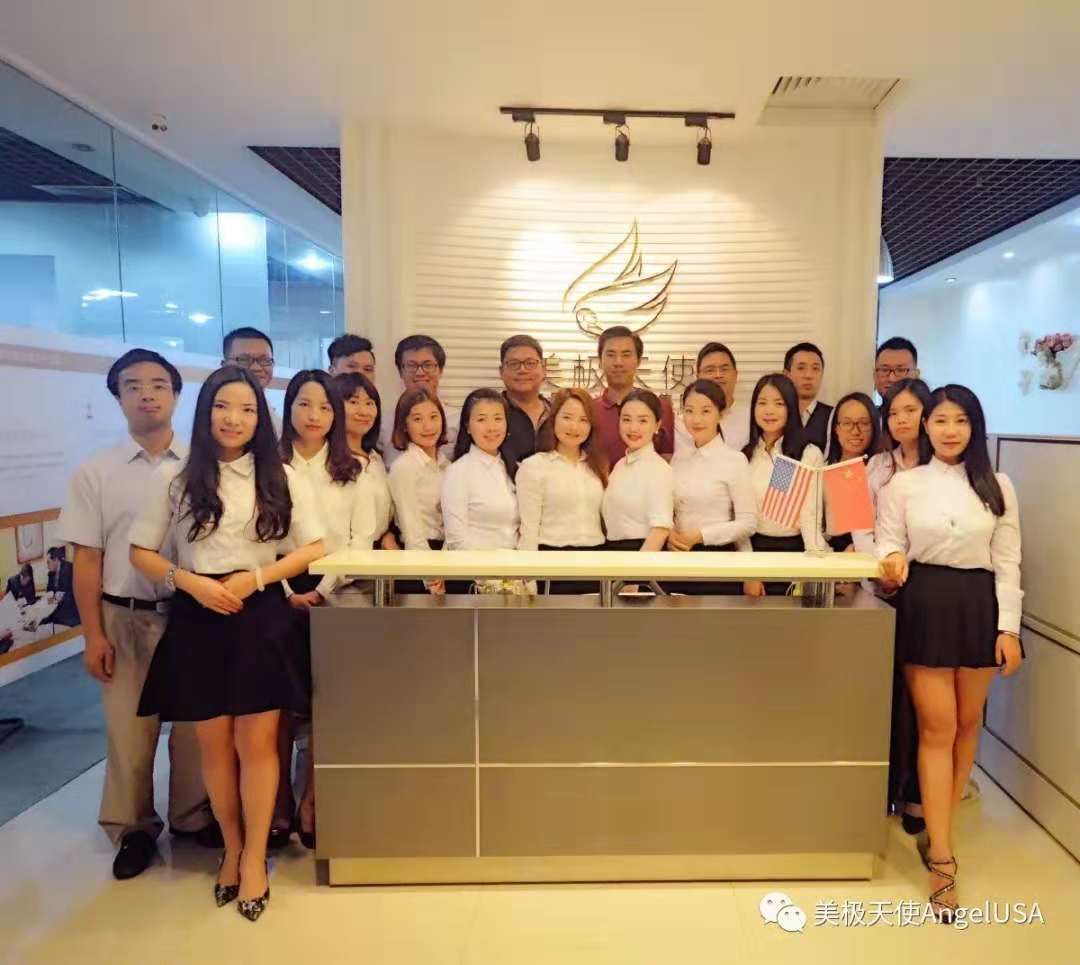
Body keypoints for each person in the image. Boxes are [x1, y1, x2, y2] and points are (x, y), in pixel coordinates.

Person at [130, 366, 326, 922]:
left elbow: (315, 546)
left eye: (246, 409)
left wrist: (257, 578)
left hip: (258, 614)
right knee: (214, 747)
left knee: (258, 745)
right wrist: (189, 582)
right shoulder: (175, 478)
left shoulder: (280, 475)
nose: (233, 419)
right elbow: (141, 551)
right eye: (222, 407)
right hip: (198, 616)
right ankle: (233, 849)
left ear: (260, 418)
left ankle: (257, 857)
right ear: (205, 412)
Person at [57, 348, 216, 881]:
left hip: (190, 614)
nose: (146, 394)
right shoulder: (96, 471)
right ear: (117, 398)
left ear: (176, 395)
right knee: (130, 730)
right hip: (124, 614)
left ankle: (193, 815)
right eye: (132, 386)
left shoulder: (202, 464)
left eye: (157, 385)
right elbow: (87, 558)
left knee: (194, 725)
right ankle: (133, 828)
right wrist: (92, 635)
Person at [877, 384, 1023, 922]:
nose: (949, 430)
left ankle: (943, 829)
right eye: (940, 420)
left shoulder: (998, 484)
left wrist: (1009, 629)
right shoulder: (904, 484)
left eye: (960, 420)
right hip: (928, 602)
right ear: (926, 426)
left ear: (974, 426)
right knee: (937, 727)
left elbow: (1008, 562)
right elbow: (887, 541)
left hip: (980, 607)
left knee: (965, 727)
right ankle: (942, 858)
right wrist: (891, 560)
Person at [278, 370, 377, 853]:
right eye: (304, 404)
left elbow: (361, 540)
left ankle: (314, 801)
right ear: (288, 409)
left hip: (339, 591)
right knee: (276, 705)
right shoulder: (268, 466)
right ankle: (277, 804)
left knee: (328, 705)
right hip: (275, 592)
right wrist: (285, 589)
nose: (314, 415)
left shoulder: (353, 469)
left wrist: (323, 586)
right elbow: (258, 539)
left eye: (324, 406)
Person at [868, 377, 934, 838]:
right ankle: (886, 789)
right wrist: (879, 571)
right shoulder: (876, 466)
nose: (900, 420)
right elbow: (860, 527)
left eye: (910, 411)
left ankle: (918, 797)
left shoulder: (943, 468)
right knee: (888, 696)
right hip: (880, 586)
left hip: (928, 589)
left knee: (922, 701)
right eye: (892, 413)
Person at [665, 380, 756, 595]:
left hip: (719, 561)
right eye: (689, 411)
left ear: (720, 414)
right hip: (678, 560)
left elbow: (748, 524)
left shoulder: (735, 460)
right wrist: (670, 534)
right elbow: (671, 510)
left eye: (705, 411)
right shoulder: (678, 459)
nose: (696, 419)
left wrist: (699, 535)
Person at [742, 373, 828, 597]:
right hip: (753, 553)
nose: (769, 411)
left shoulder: (805, 454)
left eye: (779, 403)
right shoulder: (745, 456)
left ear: (791, 408)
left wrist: (815, 566)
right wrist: (749, 572)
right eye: (762, 403)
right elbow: (740, 518)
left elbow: (810, 515)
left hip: (795, 552)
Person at [516, 387, 608, 594]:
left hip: (595, 561)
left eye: (583, 420)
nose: (574, 426)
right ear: (554, 419)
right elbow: (528, 529)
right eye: (567, 417)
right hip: (552, 562)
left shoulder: (597, 466)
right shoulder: (534, 466)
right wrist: (528, 578)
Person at [387, 388, 451, 595]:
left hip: (447, 560)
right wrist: (429, 577)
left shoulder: (448, 466)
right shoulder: (404, 467)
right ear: (404, 426)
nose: (428, 426)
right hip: (418, 564)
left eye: (434, 417)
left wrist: (447, 566)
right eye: (417, 419)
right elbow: (411, 529)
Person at [441, 389, 519, 554]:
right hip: (473, 566)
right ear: (468, 427)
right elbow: (456, 539)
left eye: (498, 418)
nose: (491, 428)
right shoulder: (458, 471)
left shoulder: (514, 468)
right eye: (481, 419)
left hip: (514, 565)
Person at [602, 389, 674, 560]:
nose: (633, 428)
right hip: (613, 554)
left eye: (643, 420)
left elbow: (660, 529)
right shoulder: (620, 466)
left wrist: (636, 572)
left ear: (657, 425)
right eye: (626, 419)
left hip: (642, 555)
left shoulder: (659, 469)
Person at [592, 326, 675, 468]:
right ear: (600, 360)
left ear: (639, 360)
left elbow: (668, 460)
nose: (618, 362)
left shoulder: (661, 408)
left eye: (626, 355)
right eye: (611, 355)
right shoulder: (589, 409)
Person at [379, 335, 460, 467]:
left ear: (440, 370)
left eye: (428, 365)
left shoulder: (458, 420)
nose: (420, 373)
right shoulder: (382, 422)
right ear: (400, 371)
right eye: (411, 366)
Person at [335, 372, 395, 548]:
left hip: (374, 553)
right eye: (353, 402)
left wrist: (386, 534)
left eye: (370, 403)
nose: (364, 411)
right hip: (345, 556)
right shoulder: (331, 460)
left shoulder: (375, 458)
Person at [823, 391, 880, 553]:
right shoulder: (823, 470)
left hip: (871, 552)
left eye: (864, 423)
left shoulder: (881, 470)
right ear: (836, 428)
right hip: (829, 556)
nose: (855, 431)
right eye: (847, 423)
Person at [674, 342, 750, 455]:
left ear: (735, 374)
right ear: (698, 377)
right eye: (710, 370)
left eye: (724, 369)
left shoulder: (752, 420)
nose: (718, 375)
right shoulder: (681, 426)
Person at [498, 334, 551, 473]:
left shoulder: (557, 413)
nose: (522, 370)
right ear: (501, 371)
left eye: (530, 363)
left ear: (544, 369)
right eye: (513, 364)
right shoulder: (490, 413)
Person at [223, 327, 281, 435]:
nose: (256, 368)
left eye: (264, 360)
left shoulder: (274, 415)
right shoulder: (212, 412)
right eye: (244, 360)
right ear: (224, 365)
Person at [784, 342, 832, 452]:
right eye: (801, 368)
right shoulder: (775, 416)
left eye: (815, 369)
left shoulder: (834, 416)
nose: (808, 375)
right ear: (786, 375)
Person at [874, 336, 920, 407]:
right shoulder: (869, 414)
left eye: (900, 370)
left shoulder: (932, 413)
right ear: (874, 376)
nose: (891, 379)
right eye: (884, 370)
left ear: (916, 375)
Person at [42, 546, 80, 626]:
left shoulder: (70, 568)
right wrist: (49, 597)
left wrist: (62, 597)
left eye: (48, 562)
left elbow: (76, 593)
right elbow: (49, 591)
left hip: (70, 613)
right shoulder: (51, 574)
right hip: (56, 611)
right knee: (40, 621)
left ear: (56, 560)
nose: (47, 566)